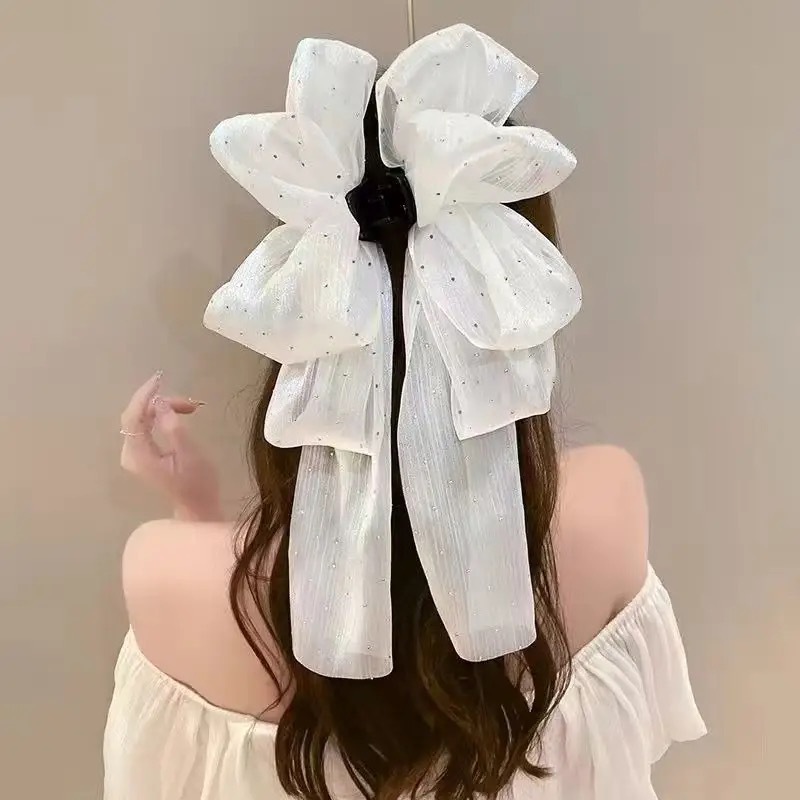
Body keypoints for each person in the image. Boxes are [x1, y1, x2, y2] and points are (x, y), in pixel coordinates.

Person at [104, 25, 705, 800]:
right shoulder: (607, 506)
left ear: (299, 299)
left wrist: (195, 513)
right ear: (516, 296)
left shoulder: (165, 578)